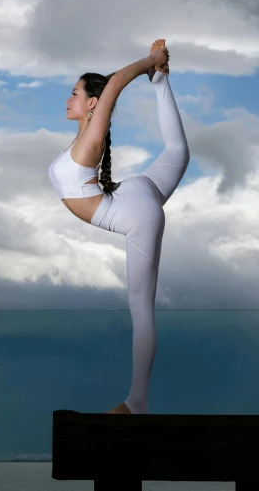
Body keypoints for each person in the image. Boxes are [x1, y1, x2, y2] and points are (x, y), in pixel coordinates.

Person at [48, 41, 190, 414]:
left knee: (141, 309)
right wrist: (156, 73)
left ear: (92, 103)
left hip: (136, 214)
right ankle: (162, 84)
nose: (68, 98)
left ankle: (137, 403)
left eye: (74, 93)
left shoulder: (92, 135)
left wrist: (150, 60)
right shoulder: (82, 139)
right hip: (134, 194)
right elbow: (108, 89)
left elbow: (112, 87)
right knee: (176, 153)